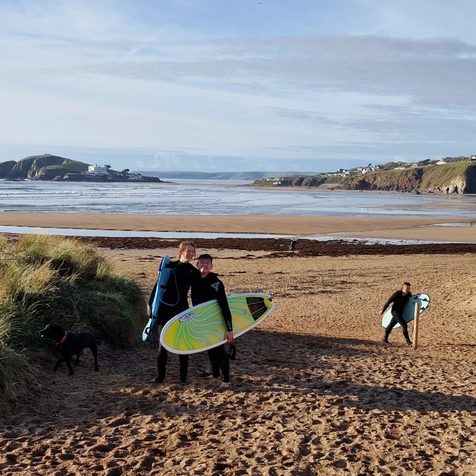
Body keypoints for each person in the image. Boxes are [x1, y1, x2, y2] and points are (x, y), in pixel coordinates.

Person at [150, 241, 200, 384]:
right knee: (163, 344)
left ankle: (183, 376)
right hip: (164, 309)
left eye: (192, 251)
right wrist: (151, 306)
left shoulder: (192, 271)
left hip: (181, 310)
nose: (190, 253)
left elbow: (199, 291)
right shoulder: (169, 266)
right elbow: (158, 287)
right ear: (181, 252)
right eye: (188, 251)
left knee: (182, 344)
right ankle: (160, 375)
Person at [191, 254, 234, 389]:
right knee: (209, 347)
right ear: (197, 265)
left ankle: (226, 380)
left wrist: (229, 329)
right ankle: (215, 374)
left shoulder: (216, 283)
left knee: (219, 350)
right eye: (201, 262)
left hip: (216, 321)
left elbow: (224, 306)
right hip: (203, 320)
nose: (204, 265)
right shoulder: (194, 279)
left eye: (207, 263)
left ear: (211, 266)